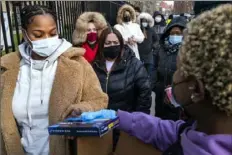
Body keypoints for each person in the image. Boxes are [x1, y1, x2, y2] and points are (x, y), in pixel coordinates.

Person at [93, 4, 232, 154]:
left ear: (196, 89)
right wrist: (118, 117)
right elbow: (167, 131)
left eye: (179, 69)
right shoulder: (192, 130)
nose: (175, 75)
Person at [0, 5, 108, 155]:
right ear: (24, 35)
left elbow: (99, 100)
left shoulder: (77, 64)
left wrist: (80, 110)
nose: (47, 40)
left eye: (53, 33)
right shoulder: (8, 69)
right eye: (38, 35)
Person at [92, 27, 152, 150]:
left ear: (121, 44)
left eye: (115, 43)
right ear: (102, 44)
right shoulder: (94, 66)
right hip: (101, 127)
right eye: (108, 43)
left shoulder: (134, 64)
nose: (112, 46)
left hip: (125, 126)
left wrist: (138, 122)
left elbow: (144, 94)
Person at [153, 16, 187, 120]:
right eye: (172, 33)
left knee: (175, 124)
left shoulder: (187, 50)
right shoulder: (160, 48)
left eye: (178, 33)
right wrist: (154, 85)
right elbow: (154, 67)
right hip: (160, 93)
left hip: (178, 95)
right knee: (160, 120)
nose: (175, 36)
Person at [137, 12, 159, 87]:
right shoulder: (137, 29)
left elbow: (157, 40)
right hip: (139, 55)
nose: (144, 23)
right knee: (139, 73)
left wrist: (153, 46)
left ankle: (147, 87)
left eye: (146, 21)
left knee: (148, 73)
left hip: (149, 55)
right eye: (143, 21)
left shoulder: (151, 30)